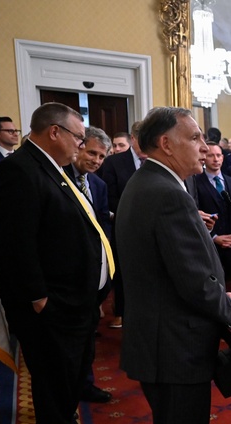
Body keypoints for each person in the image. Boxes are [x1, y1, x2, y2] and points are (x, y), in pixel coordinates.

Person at [115, 106, 231, 424]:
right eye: (194, 138)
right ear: (165, 144)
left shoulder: (151, 182)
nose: (207, 147)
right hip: (172, 342)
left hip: (162, 335)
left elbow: (169, 254)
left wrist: (198, 232)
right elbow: (192, 280)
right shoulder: (166, 191)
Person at [0, 102, 111, 424]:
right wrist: (40, 299)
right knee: (54, 379)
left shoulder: (51, 167)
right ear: (54, 132)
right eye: (78, 136)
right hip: (49, 303)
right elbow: (15, 244)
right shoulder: (18, 171)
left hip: (73, 297)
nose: (81, 143)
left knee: (69, 375)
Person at [69, 127, 114, 406]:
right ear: (79, 147)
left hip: (95, 275)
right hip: (70, 275)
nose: (96, 160)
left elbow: (103, 225)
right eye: (92, 153)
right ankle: (71, 393)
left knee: (88, 337)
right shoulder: (61, 179)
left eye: (101, 156)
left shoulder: (98, 185)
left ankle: (86, 384)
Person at [99, 120, 145, 329]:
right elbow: (110, 196)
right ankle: (122, 313)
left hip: (152, 228)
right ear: (133, 138)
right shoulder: (114, 163)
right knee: (124, 273)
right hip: (124, 226)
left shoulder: (155, 159)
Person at [193, 142, 231, 293]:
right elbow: (196, 213)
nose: (215, 159)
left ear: (223, 158)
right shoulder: (196, 183)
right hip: (211, 246)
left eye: (218, 155)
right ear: (204, 158)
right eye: (211, 155)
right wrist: (214, 236)